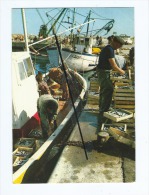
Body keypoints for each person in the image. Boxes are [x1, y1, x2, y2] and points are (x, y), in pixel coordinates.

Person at [96, 36, 125, 135]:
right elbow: (113, 65)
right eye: (119, 45)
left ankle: (101, 112)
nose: (119, 48)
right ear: (116, 43)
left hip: (102, 72)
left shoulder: (109, 48)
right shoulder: (109, 49)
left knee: (104, 91)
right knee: (108, 91)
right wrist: (122, 72)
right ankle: (103, 115)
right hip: (104, 73)